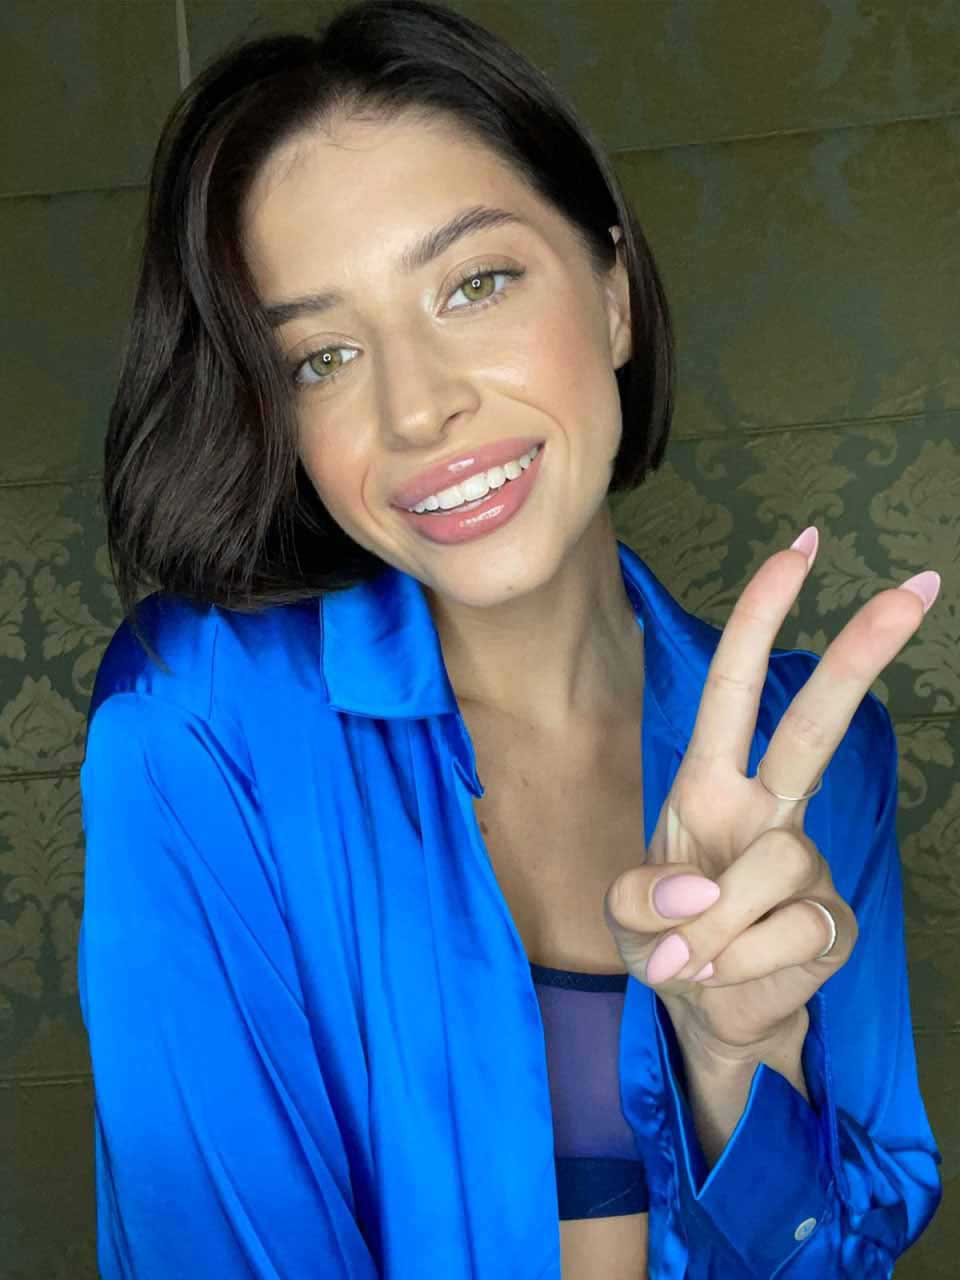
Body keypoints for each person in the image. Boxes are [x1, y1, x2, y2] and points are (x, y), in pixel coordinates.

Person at [77, 2, 943, 1276]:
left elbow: (849, 1245)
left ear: (613, 294)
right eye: (321, 356)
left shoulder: (816, 748)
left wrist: (735, 1058)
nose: (417, 407)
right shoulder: (199, 720)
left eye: (474, 285)